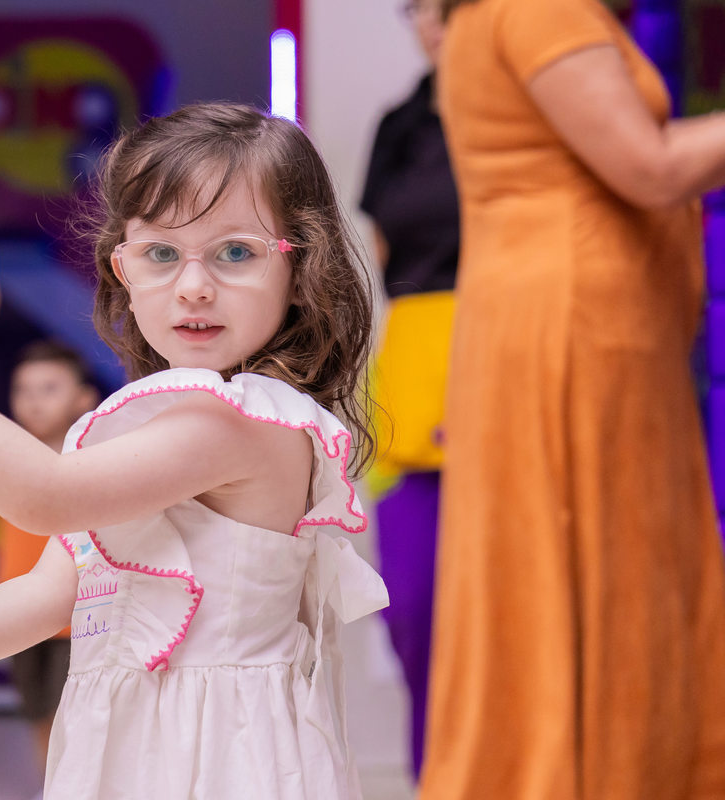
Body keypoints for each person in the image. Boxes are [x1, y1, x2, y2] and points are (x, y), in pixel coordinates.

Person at [0, 102, 392, 798]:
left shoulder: (237, 424)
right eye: (161, 254)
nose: (194, 285)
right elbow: (47, 592)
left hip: (219, 760)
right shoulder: (152, 426)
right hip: (135, 747)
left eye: (236, 252)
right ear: (122, 268)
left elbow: (43, 498)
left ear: (301, 268)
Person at [420, 1, 725, 798]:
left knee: (586, 574)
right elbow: (650, 165)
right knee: (609, 575)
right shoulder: (538, 6)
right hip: (574, 327)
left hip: (567, 321)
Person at [358, 0, 456, 779]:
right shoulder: (401, 125)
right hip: (418, 376)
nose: (435, 21)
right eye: (419, 7)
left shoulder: (537, 109)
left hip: (520, 358)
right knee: (415, 612)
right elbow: (385, 258)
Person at [0, 340, 97, 781]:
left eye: (49, 388)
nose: (34, 401)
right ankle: (51, 785)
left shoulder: (94, 461)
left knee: (74, 716)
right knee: (38, 712)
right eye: (25, 389)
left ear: (83, 399)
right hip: (18, 614)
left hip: (77, 618)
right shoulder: (2, 460)